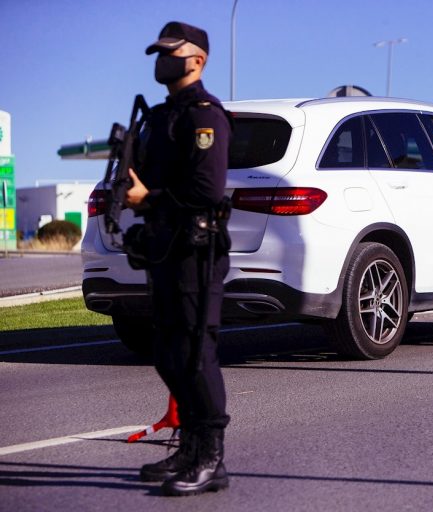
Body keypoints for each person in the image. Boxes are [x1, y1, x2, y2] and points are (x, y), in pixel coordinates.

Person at [124, 21, 232, 496]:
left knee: (195, 354)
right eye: (158, 53)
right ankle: (189, 447)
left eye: (171, 52)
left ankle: (211, 458)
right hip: (164, 248)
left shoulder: (205, 117)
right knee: (168, 354)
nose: (162, 60)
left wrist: (149, 198)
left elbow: (206, 189)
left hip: (195, 252)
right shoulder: (160, 118)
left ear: (198, 60)